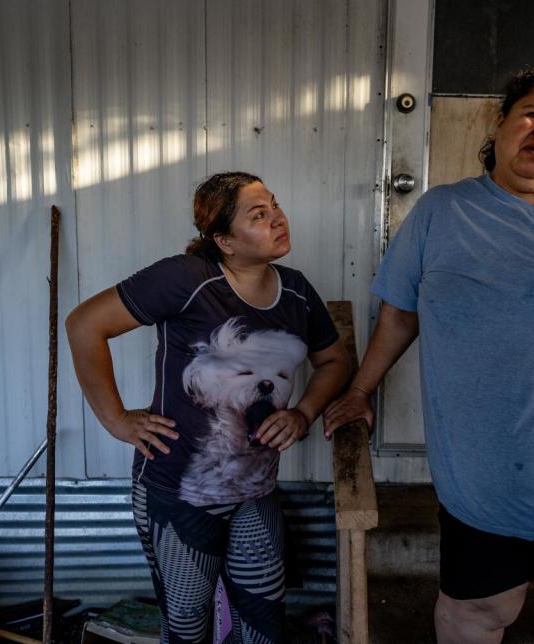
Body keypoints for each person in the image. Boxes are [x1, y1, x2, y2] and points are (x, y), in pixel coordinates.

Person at [324, 64, 534, 644]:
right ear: (501, 120)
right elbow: (399, 314)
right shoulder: (440, 213)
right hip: (482, 476)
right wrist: (360, 391)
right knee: (476, 611)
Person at [67, 171, 351, 643]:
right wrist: (116, 419)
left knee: (262, 621)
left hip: (256, 491)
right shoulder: (187, 279)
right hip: (179, 492)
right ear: (225, 240)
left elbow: (334, 360)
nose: (278, 218)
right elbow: (84, 325)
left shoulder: (297, 290)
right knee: (187, 624)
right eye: (258, 215)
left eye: (275, 206)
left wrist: (303, 413)